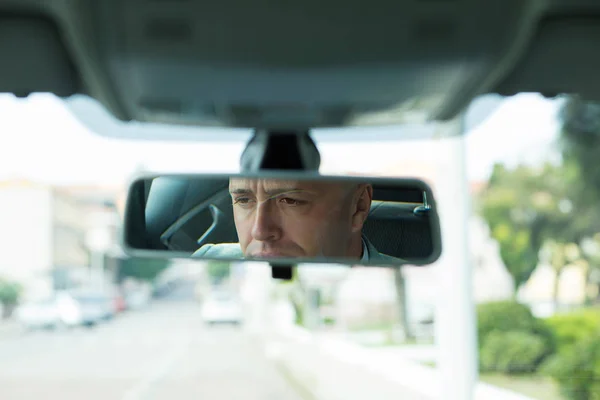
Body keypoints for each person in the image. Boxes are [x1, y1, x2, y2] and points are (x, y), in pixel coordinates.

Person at [192, 178, 401, 263]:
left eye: (291, 200)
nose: (259, 230)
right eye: (244, 200)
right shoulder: (207, 260)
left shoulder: (425, 289)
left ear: (358, 206)